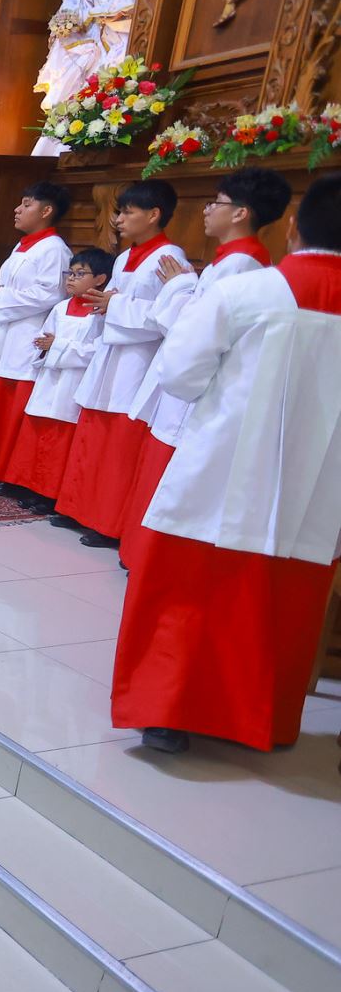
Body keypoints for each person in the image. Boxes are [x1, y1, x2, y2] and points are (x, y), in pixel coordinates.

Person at [110, 173, 341, 754]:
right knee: (289, 596)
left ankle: (168, 713)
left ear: (293, 227)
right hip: (318, 484)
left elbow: (180, 375)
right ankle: (266, 721)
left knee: (190, 588)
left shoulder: (250, 291)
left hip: (225, 465)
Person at [115, 168, 289, 557]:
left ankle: (149, 556)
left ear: (241, 213)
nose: (207, 210)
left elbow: (197, 328)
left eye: (216, 203)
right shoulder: (227, 261)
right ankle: (139, 552)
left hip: (194, 390)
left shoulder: (241, 265)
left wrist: (179, 287)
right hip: (185, 383)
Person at [53, 179, 187, 546]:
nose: (119, 220)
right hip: (110, 352)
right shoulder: (127, 256)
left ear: (154, 214)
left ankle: (108, 523)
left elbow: (169, 316)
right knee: (94, 434)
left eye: (128, 212)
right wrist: (107, 302)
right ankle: (78, 508)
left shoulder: (170, 258)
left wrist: (116, 304)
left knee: (119, 445)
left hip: (137, 360)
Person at [0, 182, 73, 486]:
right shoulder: (22, 245)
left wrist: (5, 298)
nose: (17, 209)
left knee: (12, 402)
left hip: (26, 334)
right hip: (4, 333)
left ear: (46, 211)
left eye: (26, 204)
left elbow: (52, 294)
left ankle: (4, 473)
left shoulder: (55, 249)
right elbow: (10, 284)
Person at [0, 249, 113, 503]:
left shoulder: (99, 314)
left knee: (60, 438)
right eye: (70, 273)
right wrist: (43, 346)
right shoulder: (60, 308)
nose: (71, 278)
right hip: (49, 379)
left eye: (80, 273)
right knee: (37, 433)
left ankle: (49, 495)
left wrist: (58, 346)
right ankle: (27, 485)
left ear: (100, 279)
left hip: (73, 383)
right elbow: (43, 338)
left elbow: (97, 351)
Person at [32, 0, 147, 156]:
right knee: (73, 84)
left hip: (116, 31)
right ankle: (60, 142)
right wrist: (69, 17)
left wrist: (110, 12)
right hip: (89, 30)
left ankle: (96, 134)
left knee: (105, 79)